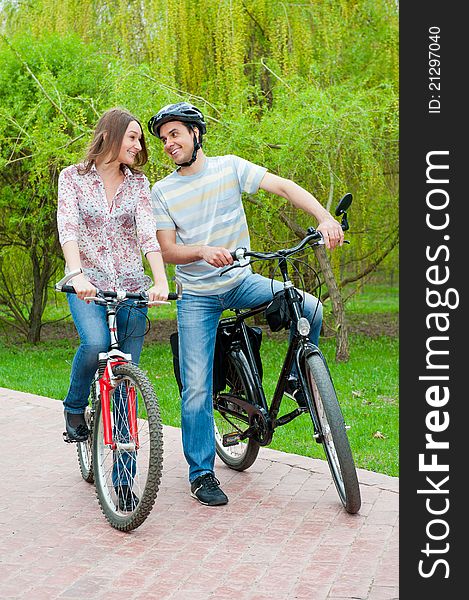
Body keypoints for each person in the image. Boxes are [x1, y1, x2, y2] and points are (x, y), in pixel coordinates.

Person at [148, 102, 344, 507]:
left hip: (241, 281)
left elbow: (285, 187)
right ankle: (201, 474)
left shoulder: (230, 168)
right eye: (164, 138)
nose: (169, 143)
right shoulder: (162, 192)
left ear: (196, 134)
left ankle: (296, 381)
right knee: (198, 388)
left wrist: (325, 217)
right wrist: (201, 251)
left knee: (310, 309)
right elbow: (166, 250)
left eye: (175, 134)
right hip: (198, 297)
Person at [57, 107, 169, 450]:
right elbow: (69, 226)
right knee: (95, 344)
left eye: (139, 140)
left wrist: (161, 281)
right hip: (88, 284)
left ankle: (122, 480)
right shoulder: (73, 177)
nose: (138, 146)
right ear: (111, 135)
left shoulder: (138, 183)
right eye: (133, 137)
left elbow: (147, 234)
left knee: (125, 379)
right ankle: (75, 407)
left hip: (130, 288)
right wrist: (76, 274)